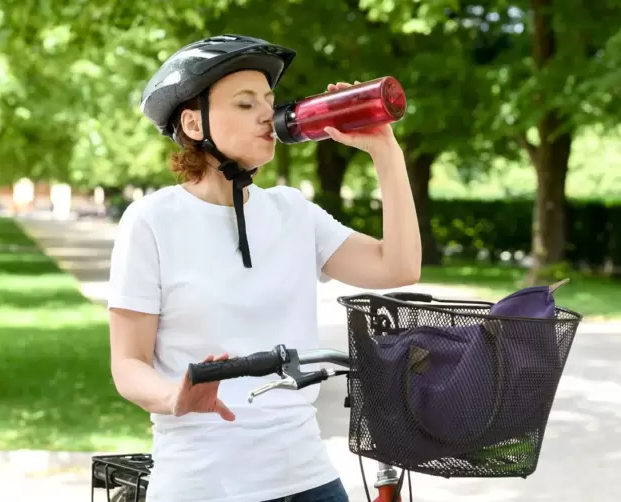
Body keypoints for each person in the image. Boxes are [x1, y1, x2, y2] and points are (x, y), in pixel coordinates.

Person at [107, 34, 421, 502]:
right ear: (194, 123)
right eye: (245, 102)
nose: (266, 115)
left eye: (269, 102)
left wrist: (386, 153)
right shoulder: (151, 221)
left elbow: (397, 266)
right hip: (202, 484)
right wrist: (175, 396)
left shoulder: (293, 212)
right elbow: (128, 365)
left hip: (307, 477)